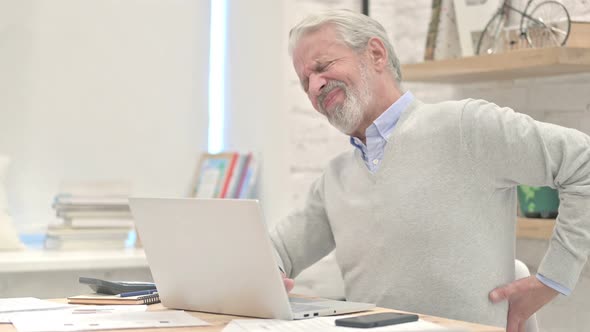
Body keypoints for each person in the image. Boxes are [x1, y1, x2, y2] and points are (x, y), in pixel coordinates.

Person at [269, 9, 590, 332]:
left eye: (322, 67)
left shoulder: (466, 126)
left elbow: (582, 161)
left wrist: (553, 280)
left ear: (376, 54)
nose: (314, 87)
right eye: (304, 81)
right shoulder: (335, 180)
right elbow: (276, 250)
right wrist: (262, 275)